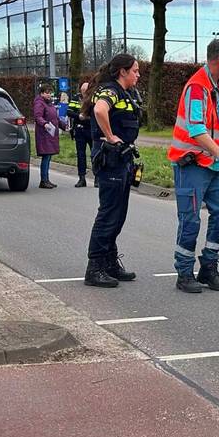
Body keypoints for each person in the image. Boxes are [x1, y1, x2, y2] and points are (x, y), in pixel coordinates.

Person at [168, 39, 219, 294]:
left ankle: (208, 267)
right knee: (190, 219)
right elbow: (196, 129)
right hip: (194, 165)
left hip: (214, 166)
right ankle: (184, 272)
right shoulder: (197, 87)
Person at [83, 54, 143, 288]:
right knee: (109, 215)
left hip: (123, 159)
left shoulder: (124, 93)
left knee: (118, 215)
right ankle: (95, 267)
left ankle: (109, 262)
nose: (138, 75)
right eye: (135, 70)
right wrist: (110, 136)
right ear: (122, 71)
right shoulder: (110, 91)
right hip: (111, 161)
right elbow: (99, 110)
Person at [32, 84, 61, 190]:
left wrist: (63, 125)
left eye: (50, 92)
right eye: (47, 92)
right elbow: (38, 116)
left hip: (50, 133)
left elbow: (55, 117)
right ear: (42, 93)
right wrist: (44, 124)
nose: (49, 95)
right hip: (44, 134)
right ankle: (44, 180)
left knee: (48, 157)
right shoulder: (39, 103)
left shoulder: (49, 103)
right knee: (46, 157)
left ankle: (46, 179)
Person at [66, 81, 93, 188]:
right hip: (80, 130)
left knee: (95, 154)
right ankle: (82, 178)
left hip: (91, 130)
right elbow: (69, 111)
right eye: (82, 91)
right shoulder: (76, 98)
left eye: (86, 91)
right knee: (81, 155)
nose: (84, 93)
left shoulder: (93, 98)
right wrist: (79, 116)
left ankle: (97, 178)